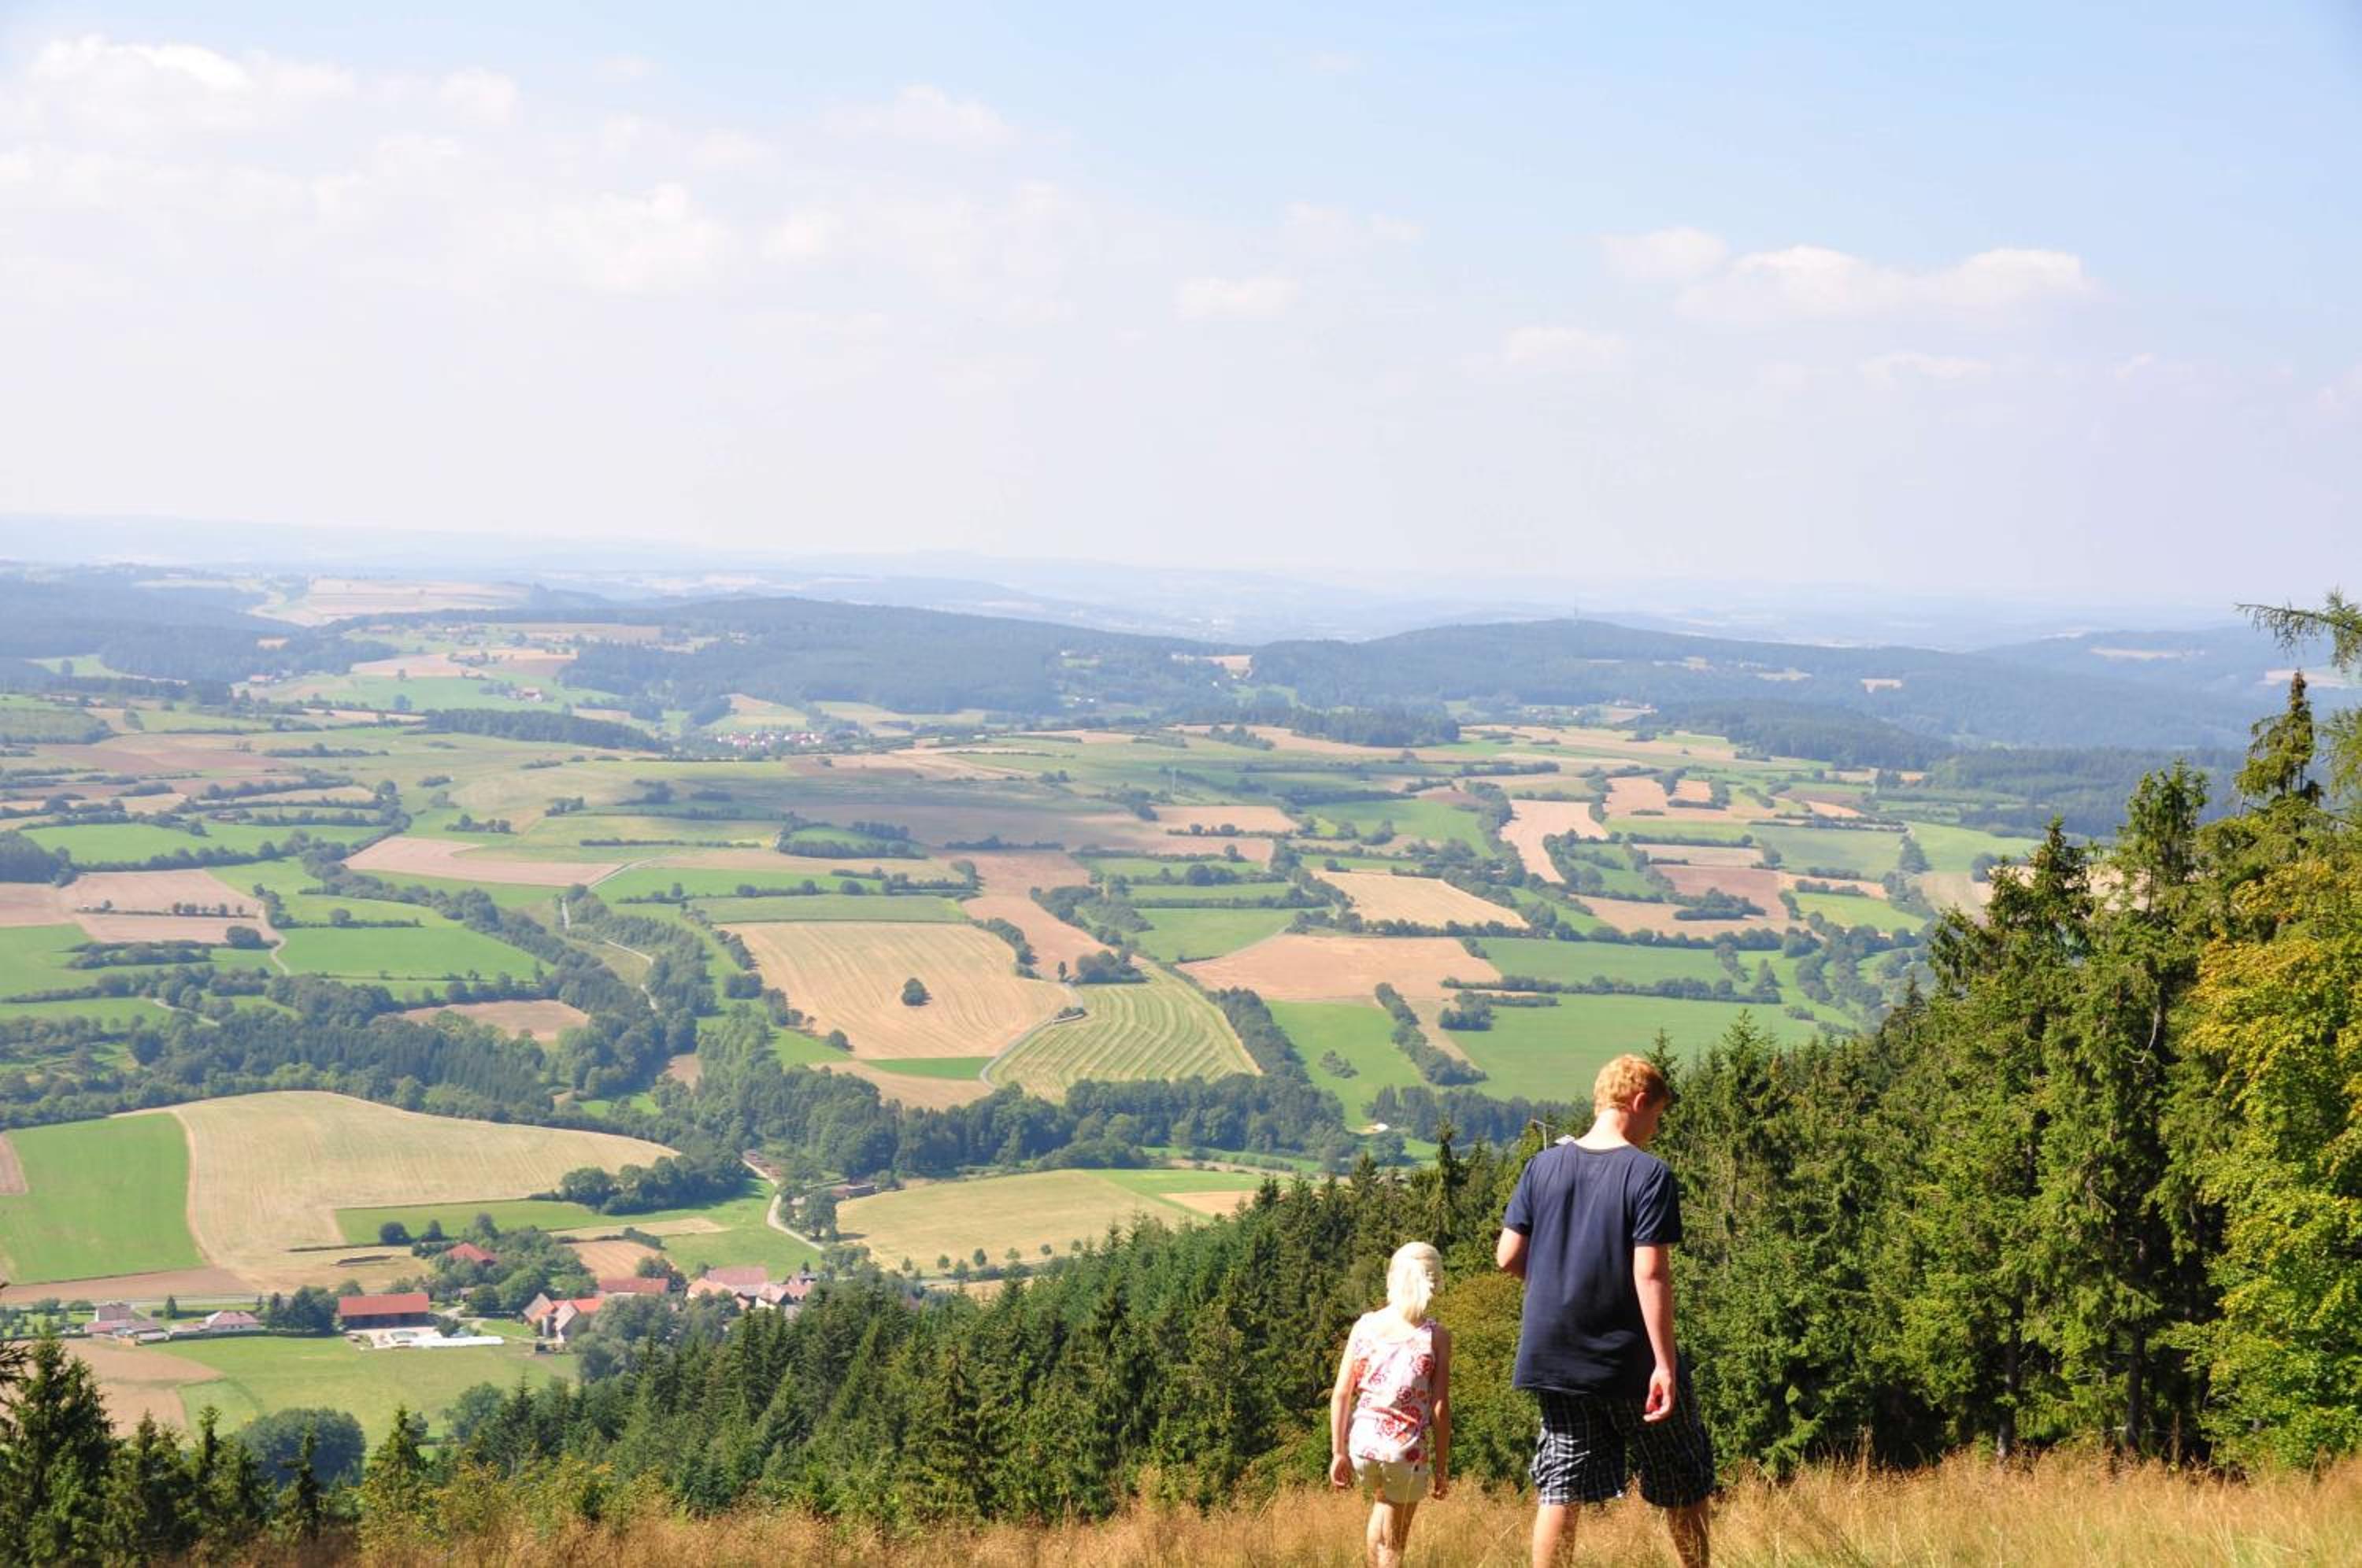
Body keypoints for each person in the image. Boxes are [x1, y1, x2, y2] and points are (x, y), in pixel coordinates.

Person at [1497, 1053, 1713, 1568]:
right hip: (1626, 1355)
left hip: (1552, 1353)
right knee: (1683, 1472)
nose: (1655, 1129)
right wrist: (1664, 1364)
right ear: (1639, 1103)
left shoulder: (1542, 1166)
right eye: (1657, 1116)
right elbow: (1651, 1273)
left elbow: (1507, 1256)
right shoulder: (1648, 1174)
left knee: (1561, 1482)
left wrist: (1558, 1282)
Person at [1328, 1241, 1453, 1568]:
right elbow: (1440, 1407)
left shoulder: (1365, 1326)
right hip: (1405, 1451)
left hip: (1363, 1447)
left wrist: (1338, 1452)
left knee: (1382, 1508)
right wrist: (1441, 1467)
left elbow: (1342, 1393)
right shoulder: (1435, 1335)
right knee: (1394, 1544)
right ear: (1434, 1281)